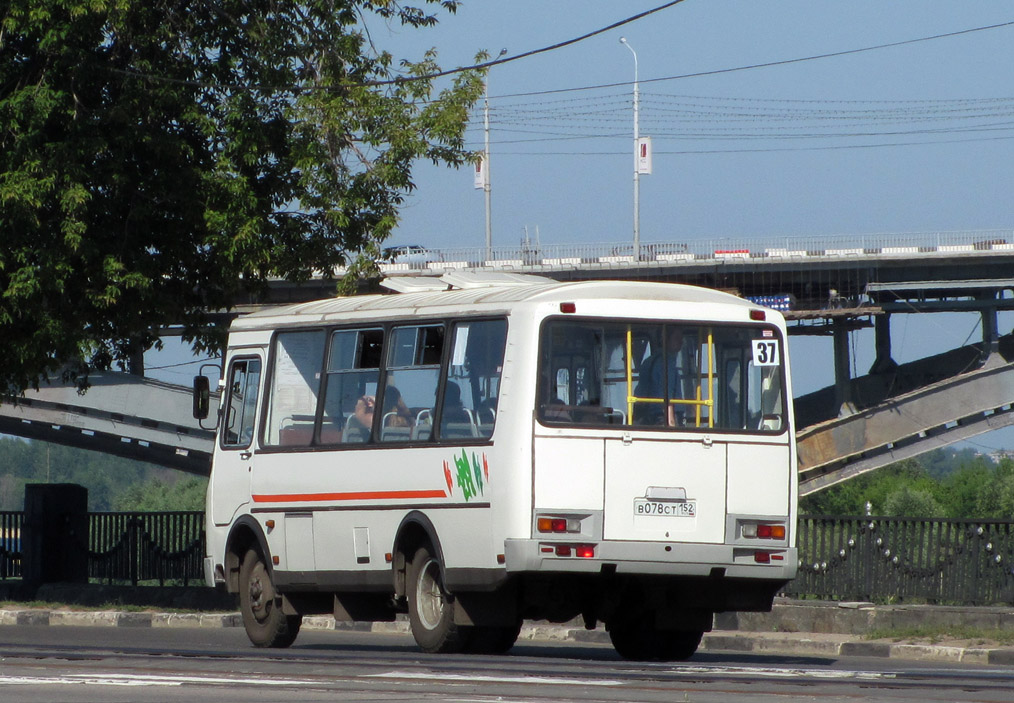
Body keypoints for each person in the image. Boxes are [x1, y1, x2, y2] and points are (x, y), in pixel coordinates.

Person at [634, 327, 685, 427]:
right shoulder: (667, 363)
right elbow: (667, 394)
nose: (681, 342)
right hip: (665, 416)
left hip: (648, 416)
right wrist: (671, 423)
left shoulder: (648, 362)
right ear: (665, 339)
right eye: (677, 338)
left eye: (681, 338)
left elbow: (640, 392)